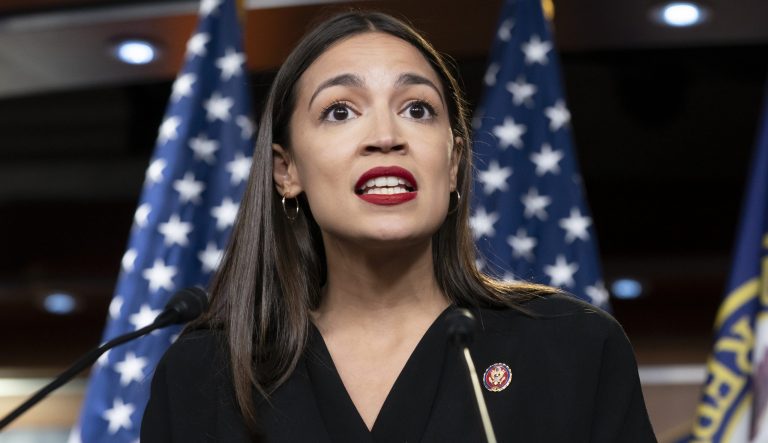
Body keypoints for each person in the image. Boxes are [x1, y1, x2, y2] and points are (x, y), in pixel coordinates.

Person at [141, 10, 656, 442]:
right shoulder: (201, 374)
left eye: (417, 109)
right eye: (340, 112)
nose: (385, 136)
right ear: (286, 170)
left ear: (453, 163)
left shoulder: (574, 346)